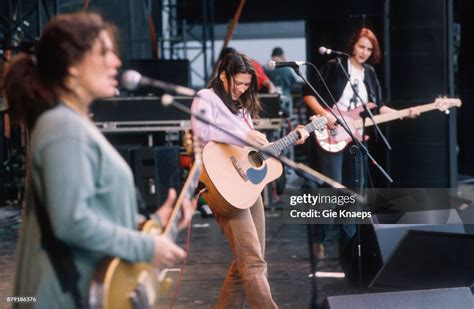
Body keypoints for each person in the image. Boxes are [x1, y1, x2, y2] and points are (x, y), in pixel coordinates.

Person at [2, 12, 194, 307]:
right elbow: (72, 222)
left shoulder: (72, 124)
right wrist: (145, 245)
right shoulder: (63, 128)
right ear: (72, 67)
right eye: (103, 52)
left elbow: (93, 213)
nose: (116, 61)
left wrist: (155, 222)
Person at [191, 52, 308, 308]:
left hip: (245, 185)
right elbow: (203, 131)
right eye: (238, 83)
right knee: (253, 262)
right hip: (220, 185)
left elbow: (249, 155)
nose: (242, 89)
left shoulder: (241, 107)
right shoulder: (205, 98)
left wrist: (291, 138)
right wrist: (245, 136)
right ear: (223, 75)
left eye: (246, 85)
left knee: (248, 261)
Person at [303, 28, 418, 259]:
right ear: (352, 45)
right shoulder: (335, 66)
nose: (364, 52)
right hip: (331, 133)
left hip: (357, 138)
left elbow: (376, 106)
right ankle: (319, 238)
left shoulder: (370, 74)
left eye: (369, 49)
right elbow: (308, 92)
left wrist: (403, 113)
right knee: (334, 191)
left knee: (354, 194)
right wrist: (325, 114)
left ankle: (348, 249)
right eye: (361, 47)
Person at [264, 47, 301, 114]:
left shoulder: (266, 68)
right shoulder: (286, 69)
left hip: (271, 100)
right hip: (286, 98)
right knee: (288, 121)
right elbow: (293, 83)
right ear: (281, 56)